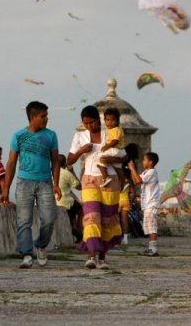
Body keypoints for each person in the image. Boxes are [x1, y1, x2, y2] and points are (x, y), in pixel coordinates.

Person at [1, 101, 61, 269]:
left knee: (49, 218)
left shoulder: (51, 136)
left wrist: (56, 184)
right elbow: (11, 163)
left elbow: (55, 161)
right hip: (24, 182)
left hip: (45, 182)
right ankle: (27, 254)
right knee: (23, 220)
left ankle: (41, 245)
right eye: (43, 116)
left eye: (47, 116)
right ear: (33, 117)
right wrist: (5, 189)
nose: (46, 119)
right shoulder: (18, 136)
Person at [67, 105, 123, 270]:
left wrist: (110, 161)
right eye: (86, 124)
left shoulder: (110, 133)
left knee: (107, 219)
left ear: (98, 121)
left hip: (110, 180)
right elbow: (69, 160)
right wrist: (82, 151)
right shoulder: (80, 136)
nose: (89, 126)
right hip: (89, 180)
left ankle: (103, 257)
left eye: (91, 122)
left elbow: (123, 155)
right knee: (91, 217)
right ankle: (91, 255)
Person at [128, 152, 160, 257]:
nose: (143, 161)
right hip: (147, 204)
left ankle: (154, 249)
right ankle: (151, 248)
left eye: (145, 160)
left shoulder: (151, 172)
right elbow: (136, 181)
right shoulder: (146, 172)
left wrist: (132, 168)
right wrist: (131, 169)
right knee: (149, 227)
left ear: (150, 162)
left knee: (152, 227)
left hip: (152, 204)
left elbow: (138, 180)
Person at [95, 108, 127, 188]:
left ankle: (106, 177)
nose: (110, 122)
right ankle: (124, 183)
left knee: (99, 159)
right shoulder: (111, 130)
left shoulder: (115, 130)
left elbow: (115, 141)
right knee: (118, 167)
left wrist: (107, 146)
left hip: (115, 150)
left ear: (117, 121)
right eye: (107, 120)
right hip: (120, 151)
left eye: (112, 120)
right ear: (104, 120)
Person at [57, 154, 83, 243]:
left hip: (51, 203)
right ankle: (79, 230)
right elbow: (79, 187)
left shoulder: (48, 172)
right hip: (64, 203)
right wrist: (72, 171)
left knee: (73, 206)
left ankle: (74, 228)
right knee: (80, 209)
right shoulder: (66, 174)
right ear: (65, 165)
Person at [119, 143, 139, 245]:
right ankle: (125, 238)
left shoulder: (120, 165)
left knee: (114, 219)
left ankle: (115, 236)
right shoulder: (128, 179)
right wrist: (131, 201)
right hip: (126, 200)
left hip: (117, 199)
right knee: (125, 219)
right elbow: (134, 192)